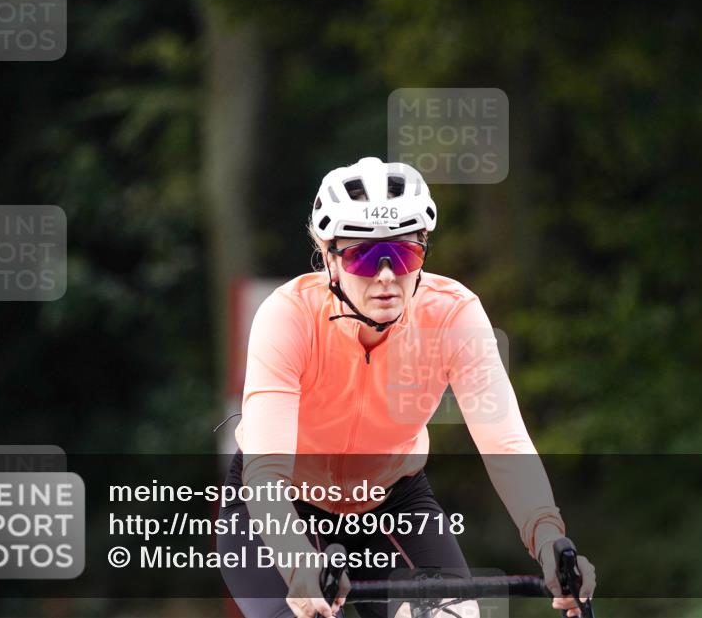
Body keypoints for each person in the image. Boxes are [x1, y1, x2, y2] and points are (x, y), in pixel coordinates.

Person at [218, 157, 595, 618]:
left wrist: (549, 538)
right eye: (362, 255)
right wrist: (299, 563)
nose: (385, 276)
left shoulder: (453, 315)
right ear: (329, 254)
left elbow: (505, 443)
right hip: (283, 504)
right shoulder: (288, 317)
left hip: (393, 499)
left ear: (422, 253)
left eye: (402, 255)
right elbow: (266, 474)